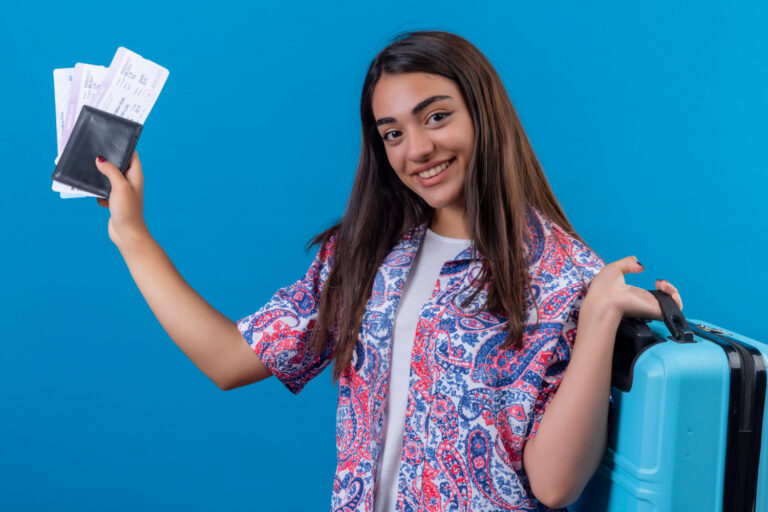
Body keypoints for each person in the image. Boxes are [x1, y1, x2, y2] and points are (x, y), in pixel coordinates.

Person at [94, 31, 683, 512]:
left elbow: (554, 486)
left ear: (483, 114)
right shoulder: (366, 252)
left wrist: (600, 316)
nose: (416, 149)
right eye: (393, 133)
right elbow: (228, 360)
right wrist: (132, 234)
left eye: (436, 117)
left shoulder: (561, 275)